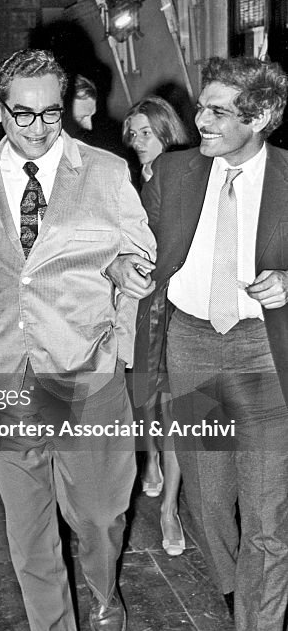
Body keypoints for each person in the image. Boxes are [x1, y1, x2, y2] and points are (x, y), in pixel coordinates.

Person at [0, 49, 156, 631]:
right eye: (21, 112)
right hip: (7, 370)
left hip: (83, 370)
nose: (36, 126)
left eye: (50, 112)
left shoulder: (106, 170)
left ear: (65, 106)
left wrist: (127, 274)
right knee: (29, 525)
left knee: (97, 514)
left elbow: (136, 247)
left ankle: (102, 590)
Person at [133, 56, 288, 631]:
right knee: (206, 505)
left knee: (266, 522)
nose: (201, 120)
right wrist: (120, 264)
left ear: (261, 117)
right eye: (202, 107)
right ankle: (243, 597)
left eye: (219, 111)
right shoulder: (173, 172)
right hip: (192, 347)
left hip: (260, 355)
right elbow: (131, 241)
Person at [122, 96, 190, 558]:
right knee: (144, 395)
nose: (138, 141)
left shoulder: (185, 175)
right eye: (134, 133)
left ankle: (169, 509)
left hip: (177, 304)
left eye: (147, 132)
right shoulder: (130, 180)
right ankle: (149, 464)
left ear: (167, 132)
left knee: (177, 408)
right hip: (142, 306)